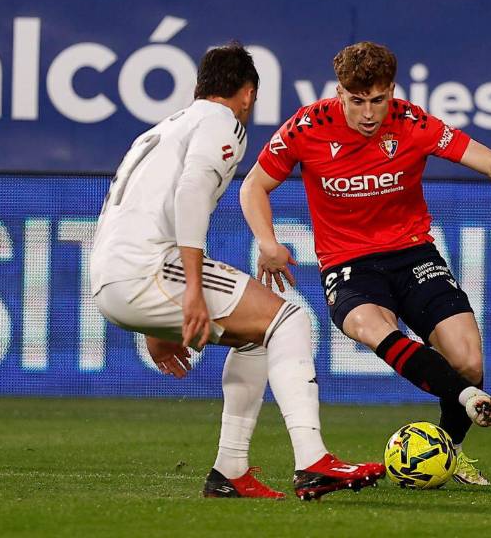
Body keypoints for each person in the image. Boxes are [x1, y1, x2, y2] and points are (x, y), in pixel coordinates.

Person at [240, 41, 491, 485]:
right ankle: (469, 399)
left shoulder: (413, 123)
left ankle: (451, 451)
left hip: (413, 254)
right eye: (357, 101)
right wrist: (267, 241)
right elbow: (253, 185)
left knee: (467, 358)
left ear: (391, 91)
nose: (369, 113)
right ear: (339, 92)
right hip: (349, 262)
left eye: (378, 100)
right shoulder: (308, 126)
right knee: (369, 326)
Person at [89, 42, 385, 501]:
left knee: (257, 333)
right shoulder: (222, 121)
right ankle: (313, 461)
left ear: (198, 87)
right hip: (148, 269)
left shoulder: (162, 129)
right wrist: (188, 289)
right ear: (248, 95)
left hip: (112, 273)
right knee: (289, 319)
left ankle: (230, 470)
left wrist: (153, 320)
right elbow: (190, 193)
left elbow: (133, 209)